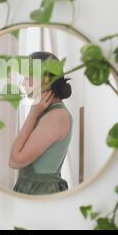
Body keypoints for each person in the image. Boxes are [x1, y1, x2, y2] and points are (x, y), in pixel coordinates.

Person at [9, 51, 73, 195]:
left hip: (41, 195)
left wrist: (32, 114)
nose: (23, 83)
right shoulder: (45, 111)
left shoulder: (56, 116)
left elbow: (15, 160)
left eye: (27, 77)